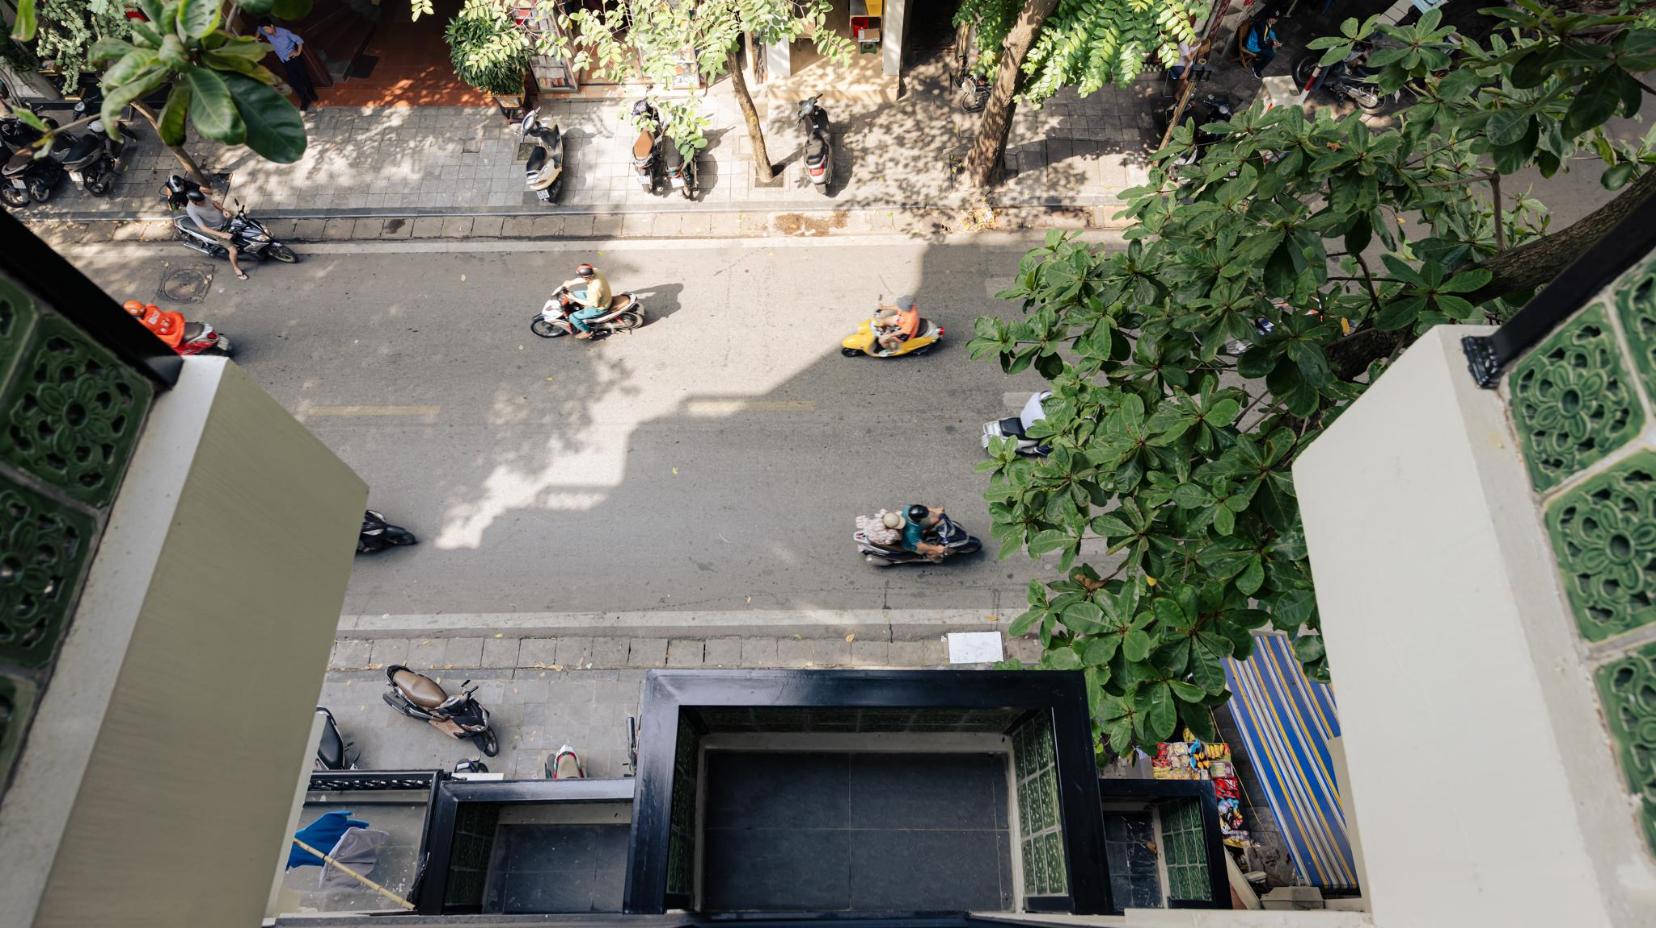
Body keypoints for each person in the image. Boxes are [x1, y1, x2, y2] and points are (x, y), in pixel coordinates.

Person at [182, 185, 249, 280]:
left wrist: (224, 210)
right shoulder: (191, 210)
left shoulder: (203, 196)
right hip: (217, 230)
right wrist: (222, 234)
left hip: (225, 220)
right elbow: (203, 228)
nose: (203, 202)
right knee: (233, 251)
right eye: (201, 202)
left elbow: (214, 203)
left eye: (203, 200)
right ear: (194, 202)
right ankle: (236, 268)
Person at [259, 18, 318, 111]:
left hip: (294, 59)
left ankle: (312, 93)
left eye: (267, 29)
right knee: (294, 81)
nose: (266, 31)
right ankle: (305, 100)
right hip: (284, 61)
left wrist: (298, 52)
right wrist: (256, 38)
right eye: (264, 30)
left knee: (304, 76)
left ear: (272, 26)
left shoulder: (284, 32)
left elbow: (299, 40)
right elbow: (259, 29)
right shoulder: (266, 32)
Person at [556, 263, 612, 339]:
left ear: (586, 277)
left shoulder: (595, 289)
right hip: (601, 295)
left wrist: (573, 298)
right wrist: (570, 283)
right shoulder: (596, 271)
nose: (581, 278)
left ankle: (588, 331)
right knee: (574, 294)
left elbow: (592, 304)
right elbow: (582, 278)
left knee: (573, 317)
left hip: (600, 307)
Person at [1244, 12, 1282, 78]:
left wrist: (1274, 40)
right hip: (1253, 45)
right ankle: (1256, 69)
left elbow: (1270, 31)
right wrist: (1273, 44)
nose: (1275, 21)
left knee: (1272, 48)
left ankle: (1260, 58)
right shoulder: (1262, 26)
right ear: (1270, 18)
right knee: (1271, 55)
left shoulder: (1267, 22)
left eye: (1276, 20)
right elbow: (1261, 44)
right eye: (1274, 19)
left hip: (1259, 43)